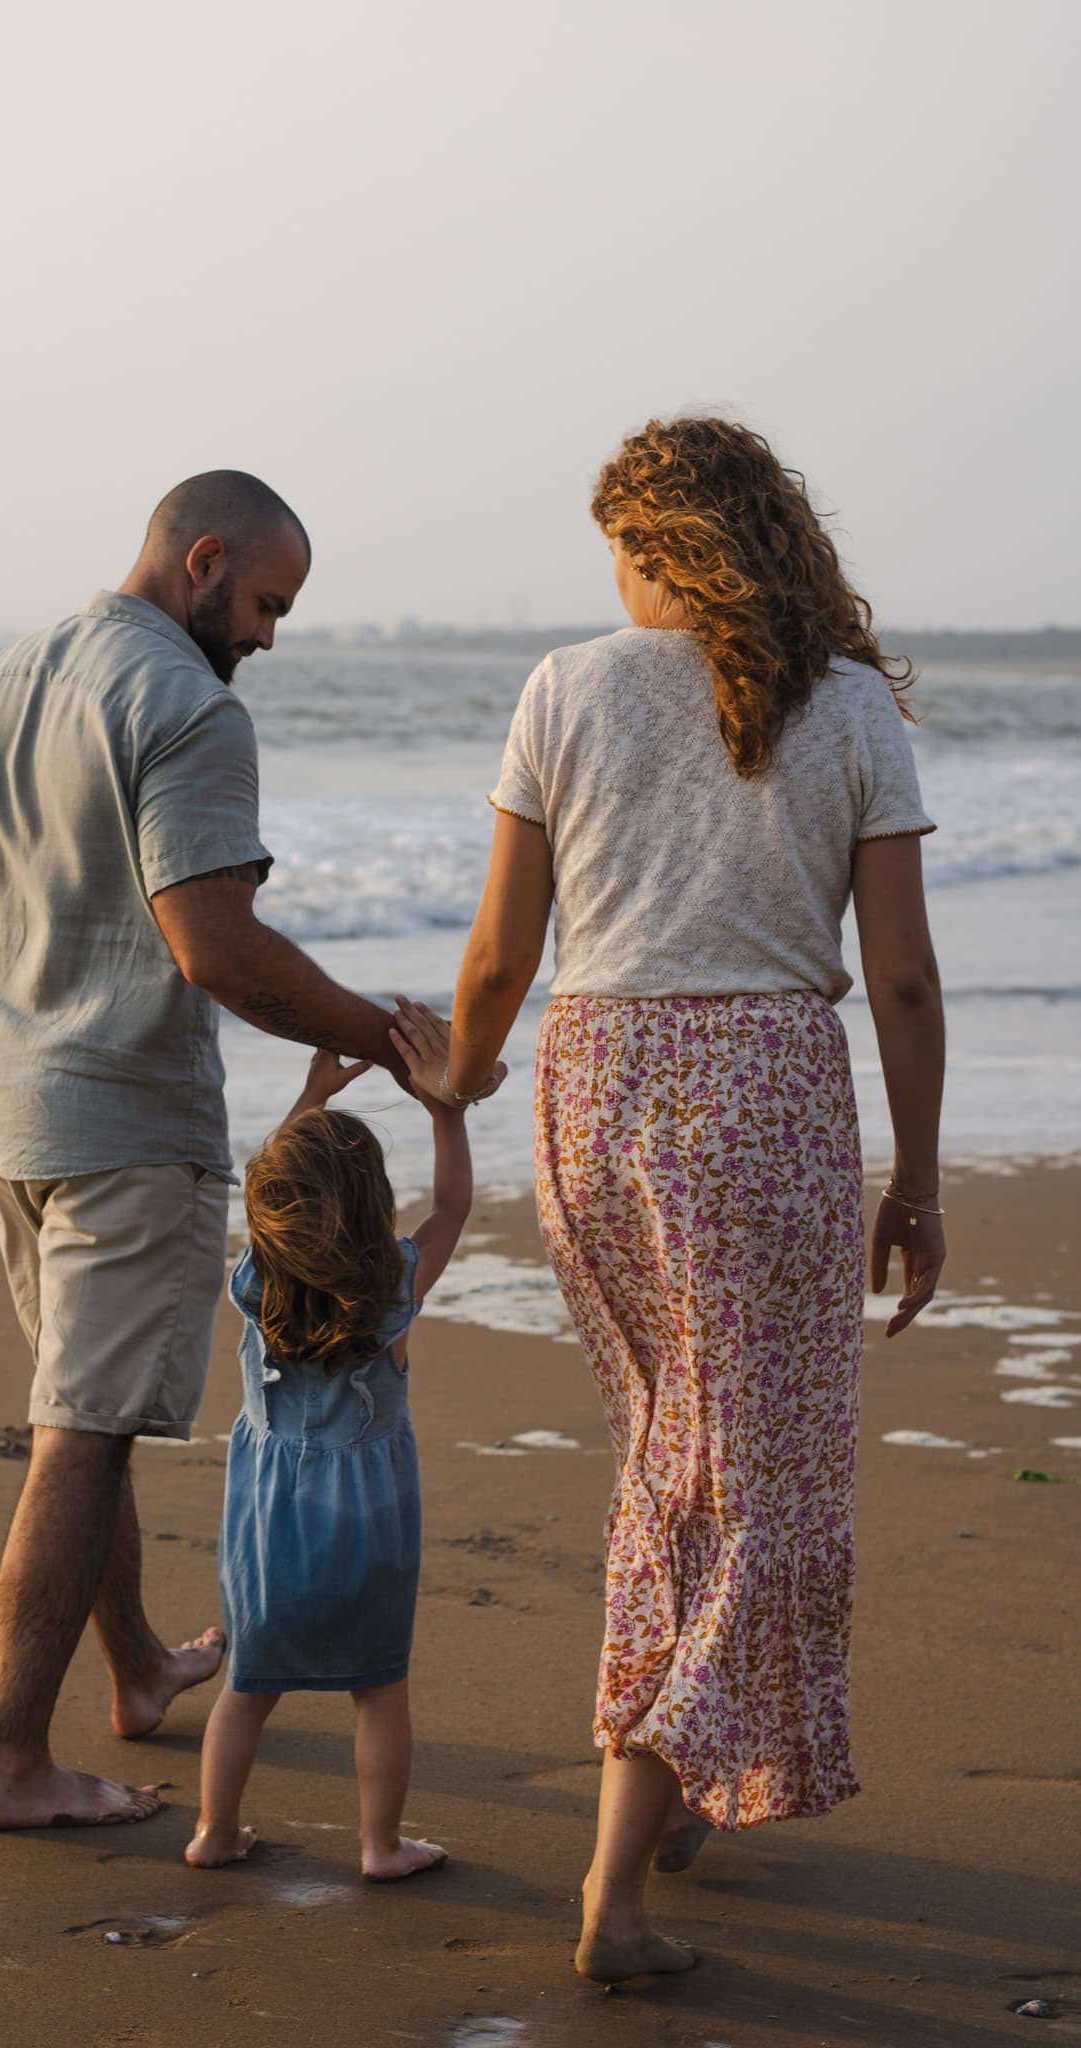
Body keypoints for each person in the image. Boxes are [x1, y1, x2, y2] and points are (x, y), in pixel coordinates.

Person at [397, 417, 947, 1982]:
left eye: (623, 554)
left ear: (663, 550)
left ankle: (682, 1779)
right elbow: (899, 977)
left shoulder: (564, 689)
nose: (617, 583)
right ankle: (618, 1886)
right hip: (764, 1091)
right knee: (748, 1474)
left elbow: (503, 955)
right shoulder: (842, 707)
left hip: (594, 1089)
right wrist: (913, 1170)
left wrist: (465, 1076)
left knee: (673, 1443)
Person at [0, 471, 422, 1831]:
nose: (265, 636)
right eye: (264, 603)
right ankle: (12, 1761)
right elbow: (217, 948)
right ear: (202, 561)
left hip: (6, 1117)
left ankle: (133, 1667)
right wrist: (385, 1034)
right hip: (124, 1128)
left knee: (95, 1406)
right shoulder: (189, 708)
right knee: (79, 1433)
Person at [185, 1017, 471, 1881]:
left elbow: (268, 1193)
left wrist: (310, 1096)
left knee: (248, 1690)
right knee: (377, 1691)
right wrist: (443, 1110)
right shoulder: (394, 1287)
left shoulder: (254, 1282)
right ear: (373, 1206)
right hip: (370, 1530)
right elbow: (454, 1205)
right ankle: (380, 1846)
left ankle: (213, 1831)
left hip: (269, 1527)